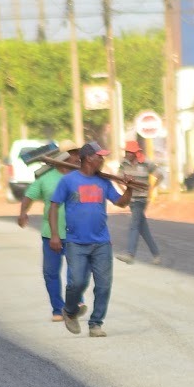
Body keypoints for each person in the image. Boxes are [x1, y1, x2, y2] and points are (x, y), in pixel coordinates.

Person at [49, 141, 140, 338]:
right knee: (77, 283)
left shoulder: (103, 182)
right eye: (100, 156)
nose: (102, 159)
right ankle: (70, 311)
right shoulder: (69, 181)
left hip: (101, 243)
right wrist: (55, 235)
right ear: (89, 158)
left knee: (104, 285)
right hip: (75, 242)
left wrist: (129, 189)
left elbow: (121, 202)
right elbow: (54, 206)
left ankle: (96, 323)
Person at [18, 140, 87, 322]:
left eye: (77, 153)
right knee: (51, 273)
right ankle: (58, 310)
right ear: (62, 156)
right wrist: (23, 212)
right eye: (73, 153)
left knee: (76, 271)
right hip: (51, 234)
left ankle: (77, 302)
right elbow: (29, 195)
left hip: (75, 234)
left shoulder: (81, 177)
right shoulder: (46, 178)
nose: (77, 157)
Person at [116, 140, 163, 265]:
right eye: (126, 151)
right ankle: (156, 254)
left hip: (141, 199)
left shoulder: (146, 163)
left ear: (136, 152)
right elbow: (118, 178)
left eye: (129, 152)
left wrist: (152, 188)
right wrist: (125, 191)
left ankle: (130, 254)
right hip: (131, 199)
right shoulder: (124, 163)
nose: (127, 154)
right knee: (142, 228)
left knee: (134, 225)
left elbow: (160, 175)